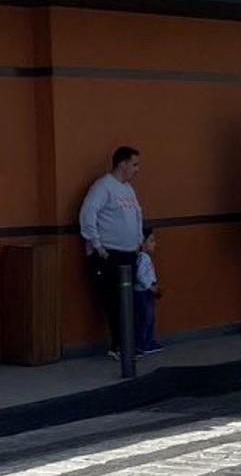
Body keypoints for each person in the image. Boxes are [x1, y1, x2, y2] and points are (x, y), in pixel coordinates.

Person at [79, 146, 144, 359]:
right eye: (134, 164)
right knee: (115, 302)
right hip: (109, 254)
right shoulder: (103, 187)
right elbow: (88, 215)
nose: (137, 169)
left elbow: (137, 217)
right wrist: (97, 246)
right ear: (122, 164)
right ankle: (118, 346)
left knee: (130, 302)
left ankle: (129, 344)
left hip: (129, 253)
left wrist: (138, 241)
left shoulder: (128, 189)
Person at [134, 227, 164, 355]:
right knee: (146, 317)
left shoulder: (143, 258)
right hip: (143, 292)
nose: (154, 244)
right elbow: (140, 275)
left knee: (147, 317)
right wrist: (150, 286)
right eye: (151, 241)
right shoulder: (143, 258)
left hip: (145, 290)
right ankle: (143, 342)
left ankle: (146, 341)